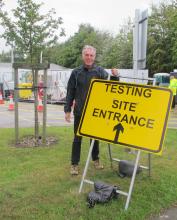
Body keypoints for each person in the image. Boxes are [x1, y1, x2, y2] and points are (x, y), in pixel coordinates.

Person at [64, 45, 119, 175]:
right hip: (79, 111)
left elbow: (111, 87)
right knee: (77, 139)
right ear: (83, 56)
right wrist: (67, 110)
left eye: (91, 55)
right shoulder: (76, 73)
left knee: (94, 138)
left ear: (94, 57)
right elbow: (70, 92)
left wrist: (115, 76)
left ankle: (96, 160)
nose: (89, 57)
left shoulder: (100, 72)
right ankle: (74, 164)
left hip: (95, 113)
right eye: (86, 55)